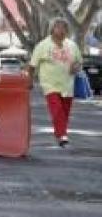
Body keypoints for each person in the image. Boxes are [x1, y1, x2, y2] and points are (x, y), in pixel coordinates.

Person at [27, 18, 82, 147]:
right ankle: (63, 135)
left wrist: (76, 67)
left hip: (67, 85)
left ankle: (60, 134)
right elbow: (32, 66)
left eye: (64, 28)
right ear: (52, 29)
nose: (61, 30)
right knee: (56, 109)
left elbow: (79, 61)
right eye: (58, 27)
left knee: (65, 112)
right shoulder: (42, 45)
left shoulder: (72, 45)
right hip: (50, 85)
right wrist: (29, 80)